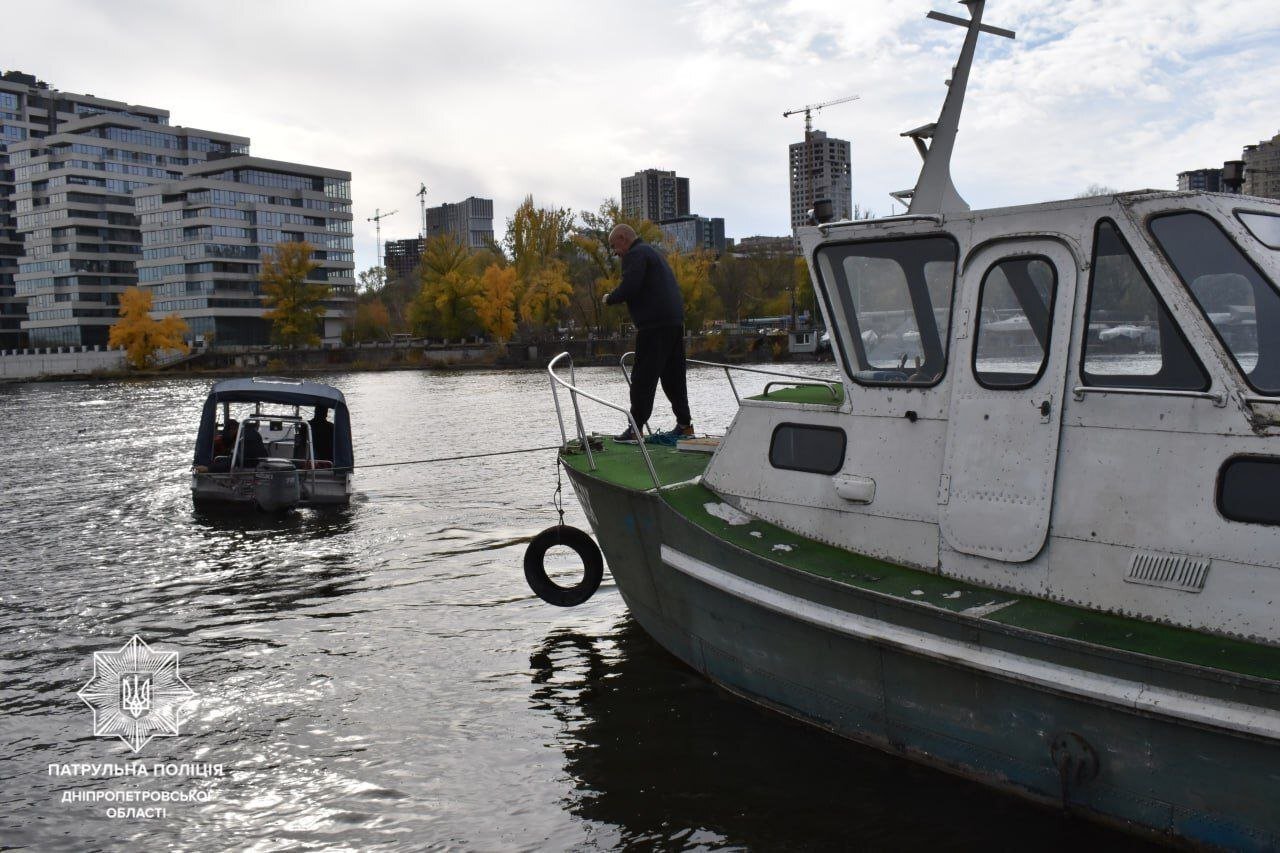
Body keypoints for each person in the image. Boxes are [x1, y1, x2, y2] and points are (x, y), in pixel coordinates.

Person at [602, 224, 693, 443]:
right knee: (674, 378)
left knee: (643, 378)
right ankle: (685, 425)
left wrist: (609, 298)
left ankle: (635, 430)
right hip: (674, 323)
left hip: (654, 326)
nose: (616, 253)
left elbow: (630, 286)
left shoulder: (635, 255)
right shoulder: (653, 253)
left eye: (615, 247)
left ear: (624, 238)